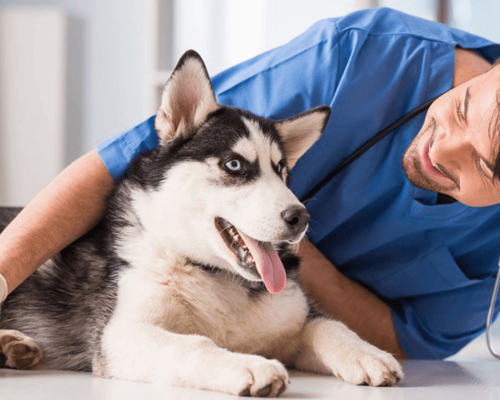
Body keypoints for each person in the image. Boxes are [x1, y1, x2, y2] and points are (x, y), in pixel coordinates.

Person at [1, 7, 500, 361]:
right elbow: (124, 160)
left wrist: (281, 244)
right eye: (460, 108)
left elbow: (405, 341)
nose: (441, 149)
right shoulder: (361, 56)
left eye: (482, 162)